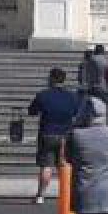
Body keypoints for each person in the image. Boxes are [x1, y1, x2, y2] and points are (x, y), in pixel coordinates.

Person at [27, 68, 82, 205]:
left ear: (51, 79)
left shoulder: (43, 95)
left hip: (47, 133)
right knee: (64, 166)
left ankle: (40, 195)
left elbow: (32, 111)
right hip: (66, 134)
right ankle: (68, 194)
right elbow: (77, 113)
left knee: (46, 166)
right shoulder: (72, 97)